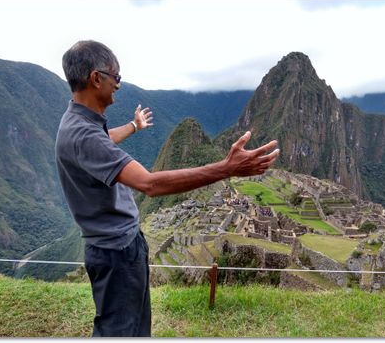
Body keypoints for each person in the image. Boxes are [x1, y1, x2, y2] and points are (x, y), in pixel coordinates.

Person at [55, 40, 280, 337]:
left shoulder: (80, 124)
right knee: (118, 332)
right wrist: (227, 168)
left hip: (118, 246)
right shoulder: (83, 134)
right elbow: (149, 184)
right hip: (116, 252)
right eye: (116, 78)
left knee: (135, 327)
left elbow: (103, 139)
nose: (119, 86)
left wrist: (134, 126)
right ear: (96, 78)